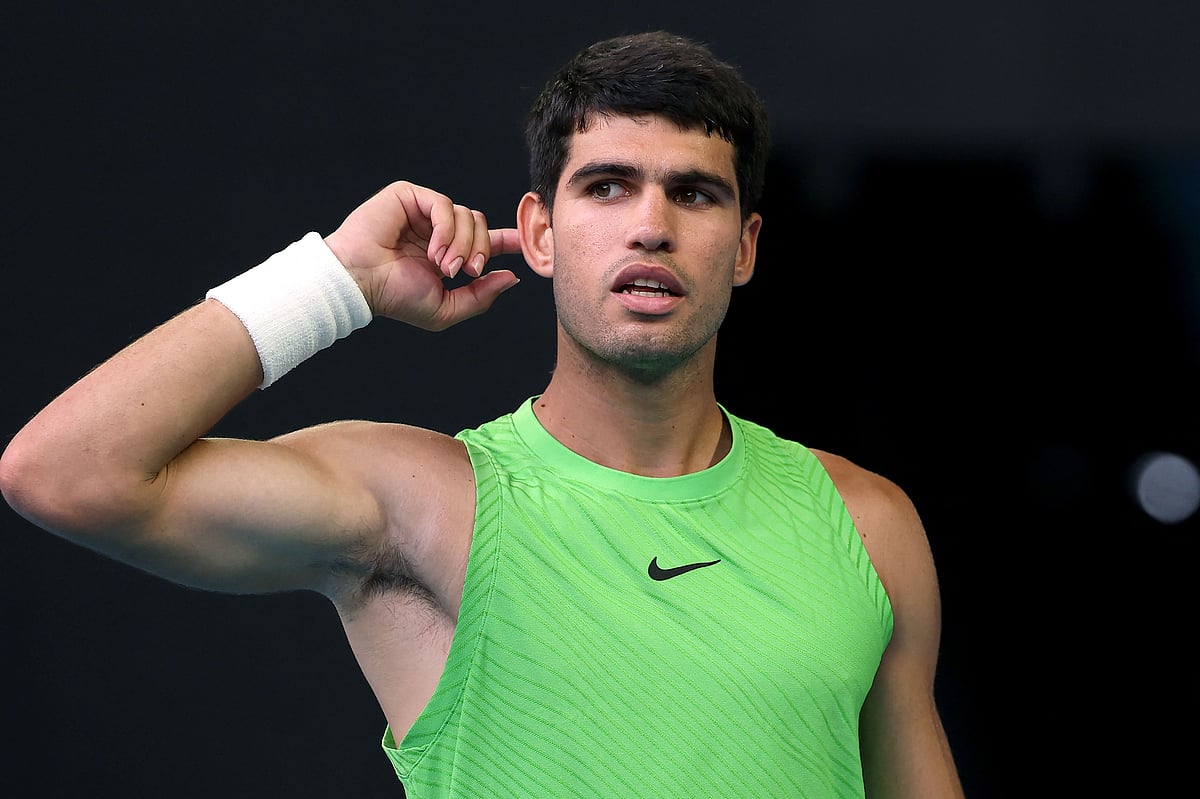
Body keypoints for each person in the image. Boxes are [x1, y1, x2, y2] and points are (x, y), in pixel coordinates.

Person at [0, 30, 964, 799]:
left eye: (695, 193)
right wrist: (335, 282)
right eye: (607, 185)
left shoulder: (866, 522)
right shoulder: (423, 503)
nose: (651, 224)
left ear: (745, 246)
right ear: (539, 231)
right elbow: (66, 473)